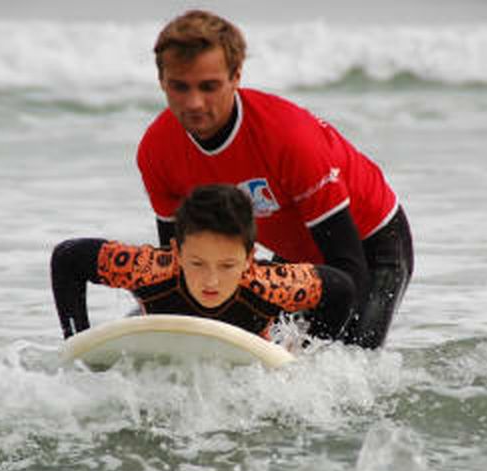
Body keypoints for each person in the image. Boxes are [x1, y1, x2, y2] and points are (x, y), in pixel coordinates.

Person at [137, 9, 414, 349]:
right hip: (294, 255)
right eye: (179, 86)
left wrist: (310, 353)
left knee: (348, 357)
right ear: (161, 80)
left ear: (236, 76)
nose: (193, 103)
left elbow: (348, 270)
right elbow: (178, 267)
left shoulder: (288, 138)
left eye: (209, 86)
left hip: (370, 248)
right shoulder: (157, 150)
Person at [51, 184, 358, 342]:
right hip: (159, 322)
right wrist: (77, 343)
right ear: (176, 252)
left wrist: (306, 354)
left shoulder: (270, 284)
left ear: (249, 258)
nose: (211, 281)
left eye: (227, 266)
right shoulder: (149, 268)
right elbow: (67, 257)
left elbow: (342, 289)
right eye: (197, 263)